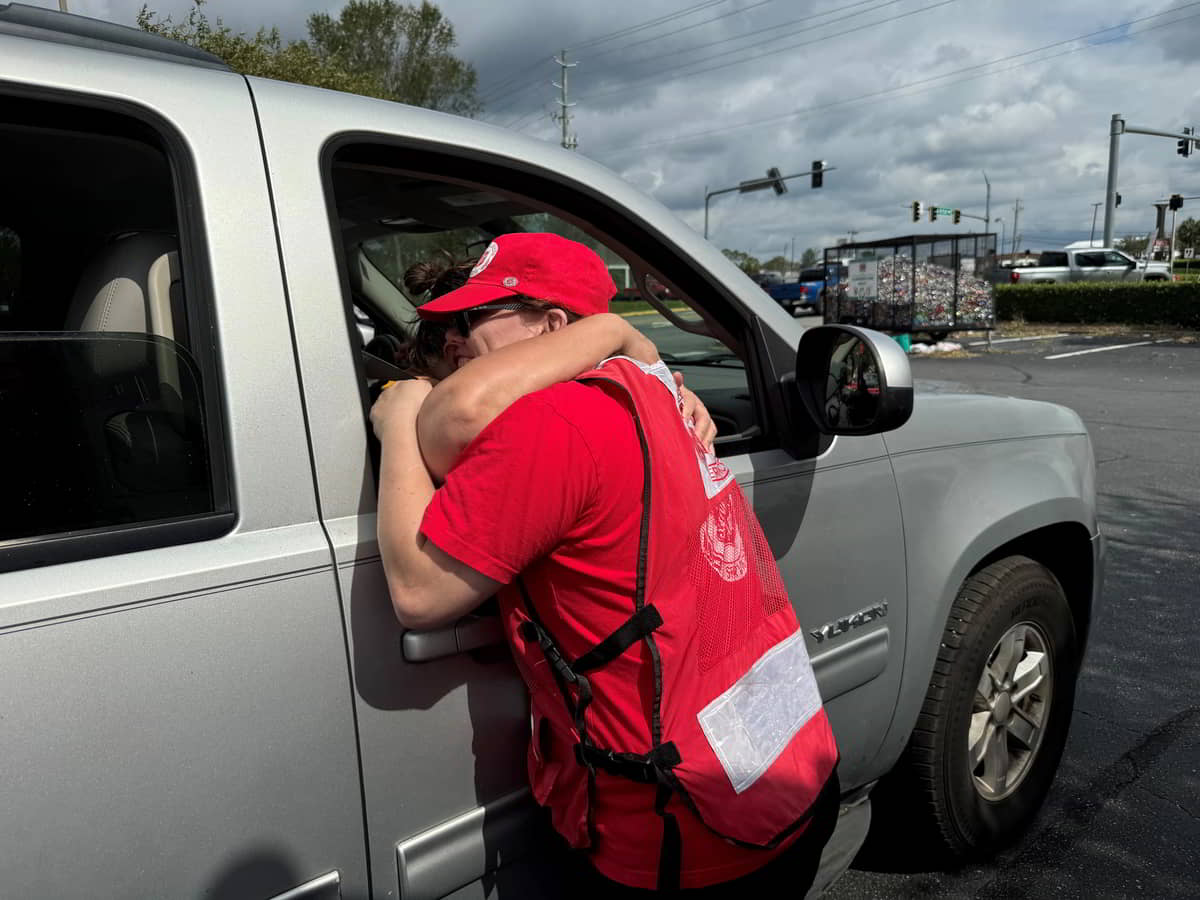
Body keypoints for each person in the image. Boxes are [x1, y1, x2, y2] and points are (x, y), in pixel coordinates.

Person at [371, 233, 840, 896]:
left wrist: (397, 420)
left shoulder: (550, 421)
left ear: (555, 328)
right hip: (788, 774)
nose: (458, 339)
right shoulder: (651, 388)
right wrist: (624, 339)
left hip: (680, 833)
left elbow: (419, 593)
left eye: (476, 320)